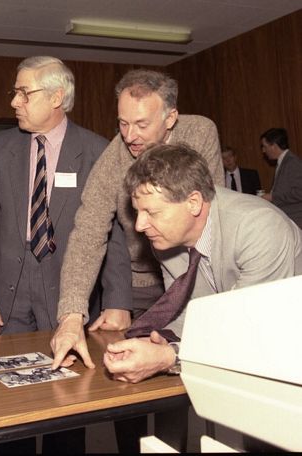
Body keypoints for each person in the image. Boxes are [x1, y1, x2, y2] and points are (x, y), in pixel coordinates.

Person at [50, 68, 223, 452]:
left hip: (190, 278)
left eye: (142, 124)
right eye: (123, 123)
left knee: (174, 385)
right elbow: (88, 233)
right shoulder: (115, 157)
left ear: (171, 118)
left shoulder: (200, 132)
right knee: (125, 381)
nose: (130, 136)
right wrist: (71, 315)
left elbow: (211, 216)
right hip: (140, 283)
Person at [0, 56, 130, 455]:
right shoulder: (2, 146)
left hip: (69, 287)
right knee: (9, 401)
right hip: (9, 287)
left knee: (66, 397)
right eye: (16, 92)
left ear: (57, 97)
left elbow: (113, 233)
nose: (15, 102)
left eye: (25, 92)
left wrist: (118, 301)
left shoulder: (97, 151)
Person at [102, 142, 300, 384]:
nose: (140, 225)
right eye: (137, 212)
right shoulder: (166, 238)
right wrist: (155, 341)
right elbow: (191, 315)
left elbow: (250, 332)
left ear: (193, 202)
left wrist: (169, 357)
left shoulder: (259, 228)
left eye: (151, 212)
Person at [260, 128, 302, 229]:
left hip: (296, 221)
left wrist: (272, 197)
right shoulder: (284, 162)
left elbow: (300, 192)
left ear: (274, 146)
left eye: (265, 146)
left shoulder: (292, 162)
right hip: (289, 220)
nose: (263, 150)